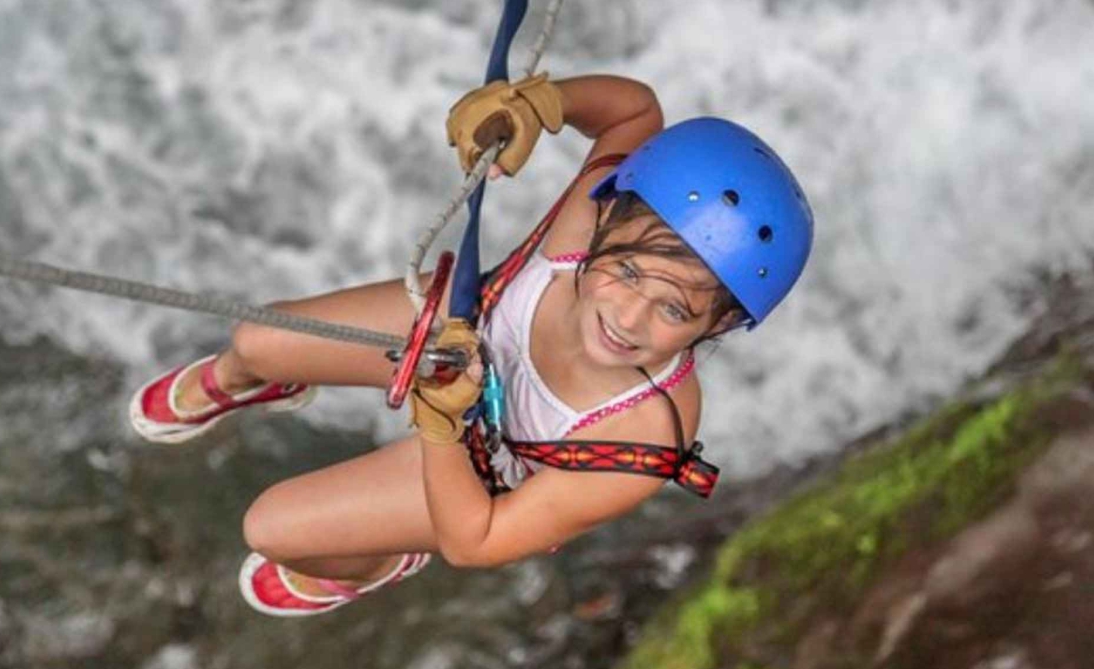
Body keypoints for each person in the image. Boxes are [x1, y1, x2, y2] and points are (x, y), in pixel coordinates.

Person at [127, 74, 813, 616]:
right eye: (627, 271)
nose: (628, 316)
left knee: (271, 527)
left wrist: (441, 423)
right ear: (606, 216)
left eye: (673, 307)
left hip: (485, 459)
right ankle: (255, 378)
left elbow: (477, 539)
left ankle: (375, 559)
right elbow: (635, 112)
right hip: (465, 325)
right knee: (258, 338)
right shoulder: (587, 218)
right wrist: (541, 104)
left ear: (717, 326)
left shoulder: (644, 435)